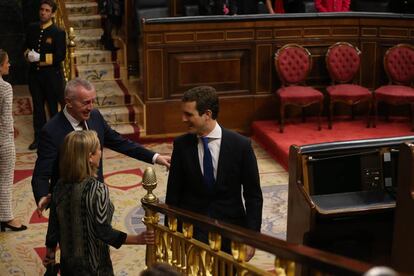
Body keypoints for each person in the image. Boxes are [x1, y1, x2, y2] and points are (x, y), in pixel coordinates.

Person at [32, 78, 171, 215]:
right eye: (86, 103)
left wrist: (155, 157)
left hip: (98, 198)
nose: (91, 107)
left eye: (93, 101)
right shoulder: (51, 131)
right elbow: (41, 174)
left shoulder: (95, 116)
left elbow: (120, 142)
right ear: (68, 102)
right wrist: (42, 195)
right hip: (68, 206)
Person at [165, 86, 263, 261]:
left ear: (207, 114)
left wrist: (252, 237)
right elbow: (173, 195)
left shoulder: (241, 146)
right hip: (193, 232)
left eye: (189, 114)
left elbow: (253, 195)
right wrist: (170, 232)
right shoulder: (181, 145)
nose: (183, 119)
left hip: (231, 231)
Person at [43, 130, 155, 275]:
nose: (101, 153)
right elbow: (104, 232)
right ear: (90, 157)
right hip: (95, 267)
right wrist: (138, 239)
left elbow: (53, 227)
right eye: (99, 149)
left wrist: (50, 255)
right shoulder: (98, 189)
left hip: (68, 266)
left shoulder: (59, 186)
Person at [24, 0, 66, 150]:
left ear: (53, 13)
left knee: (53, 108)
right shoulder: (32, 28)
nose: (43, 13)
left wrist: (40, 58)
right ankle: (38, 138)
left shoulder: (58, 32)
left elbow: (60, 56)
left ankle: (55, 138)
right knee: (38, 107)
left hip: (51, 76)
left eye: (47, 10)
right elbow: (26, 46)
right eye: (42, 9)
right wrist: (28, 54)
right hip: (35, 76)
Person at [0, 49, 27, 232]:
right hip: (3, 140)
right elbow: (6, 119)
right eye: (6, 62)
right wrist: (9, 139)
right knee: (5, 179)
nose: (9, 65)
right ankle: (7, 218)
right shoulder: (5, 87)